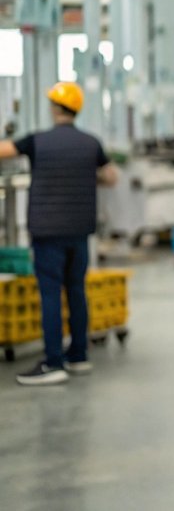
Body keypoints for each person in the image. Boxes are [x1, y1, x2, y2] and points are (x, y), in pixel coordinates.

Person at [0, 82, 119, 386]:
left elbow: (4, 151)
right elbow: (111, 176)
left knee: (51, 294)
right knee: (76, 291)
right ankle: (78, 356)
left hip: (47, 231)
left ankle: (53, 362)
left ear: (54, 108)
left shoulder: (37, 140)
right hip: (79, 231)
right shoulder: (91, 143)